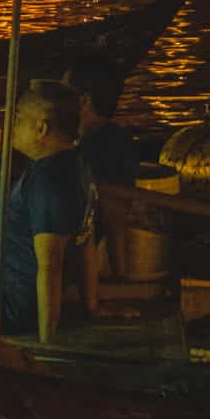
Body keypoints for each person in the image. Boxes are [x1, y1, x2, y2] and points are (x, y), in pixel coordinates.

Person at [0, 82, 94, 342]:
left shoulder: (48, 182)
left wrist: (46, 341)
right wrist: (91, 304)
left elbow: (50, 266)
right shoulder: (76, 163)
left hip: (13, 306)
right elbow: (87, 241)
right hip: (18, 290)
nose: (12, 126)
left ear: (41, 128)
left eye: (18, 119)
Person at [71, 75, 142, 282]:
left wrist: (121, 276)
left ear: (84, 101)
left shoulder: (104, 144)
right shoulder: (102, 140)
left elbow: (114, 211)